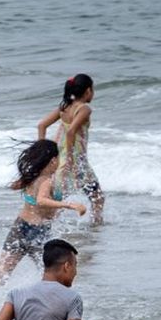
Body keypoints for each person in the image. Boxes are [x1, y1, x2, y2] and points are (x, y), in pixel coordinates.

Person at [0, 139, 86, 292]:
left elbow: (17, 188)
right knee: (53, 276)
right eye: (58, 158)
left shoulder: (33, 177)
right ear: (53, 161)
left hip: (20, 228)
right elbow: (41, 201)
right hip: (37, 232)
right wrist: (69, 204)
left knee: (1, 277)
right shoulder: (46, 181)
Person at [37, 74, 104, 221]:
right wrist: (70, 159)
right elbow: (71, 131)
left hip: (58, 157)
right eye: (93, 89)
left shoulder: (64, 107)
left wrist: (41, 151)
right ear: (87, 91)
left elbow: (42, 125)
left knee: (59, 198)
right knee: (97, 197)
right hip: (75, 158)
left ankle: (48, 226)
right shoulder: (84, 109)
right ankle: (96, 226)